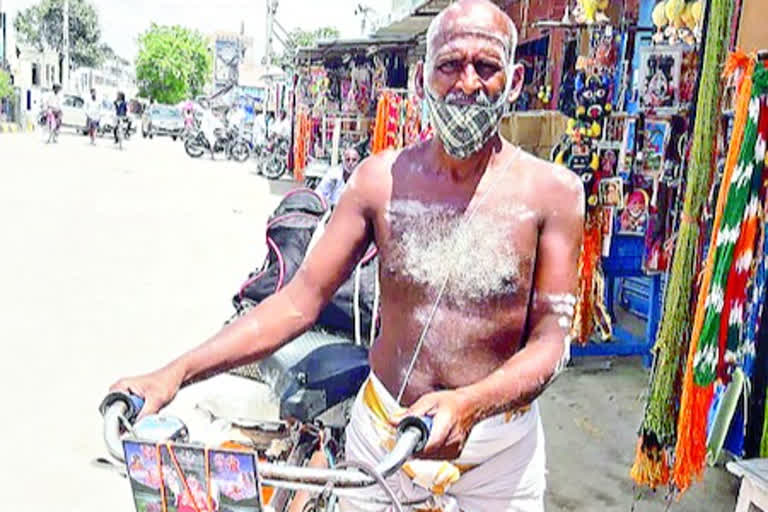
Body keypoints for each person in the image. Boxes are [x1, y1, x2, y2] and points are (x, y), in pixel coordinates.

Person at [110, 1, 584, 510]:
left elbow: (551, 342)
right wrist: (175, 374)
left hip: (497, 457)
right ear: (423, 77)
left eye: (485, 67)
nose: (467, 83)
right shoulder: (379, 180)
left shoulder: (553, 193)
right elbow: (299, 301)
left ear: (513, 81)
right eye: (449, 65)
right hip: (382, 440)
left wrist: (469, 406)